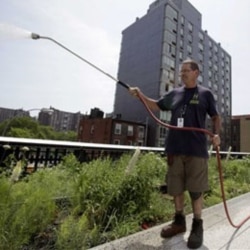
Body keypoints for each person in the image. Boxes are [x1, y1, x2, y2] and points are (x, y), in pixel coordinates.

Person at [129, 59, 221, 249]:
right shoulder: (175, 94)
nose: (182, 74)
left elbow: (215, 116)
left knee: (196, 190)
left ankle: (197, 226)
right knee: (176, 187)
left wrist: (217, 134)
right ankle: (179, 222)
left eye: (186, 71)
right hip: (175, 148)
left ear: (196, 72)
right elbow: (156, 105)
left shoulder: (205, 94)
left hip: (196, 149)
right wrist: (140, 95)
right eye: (181, 72)